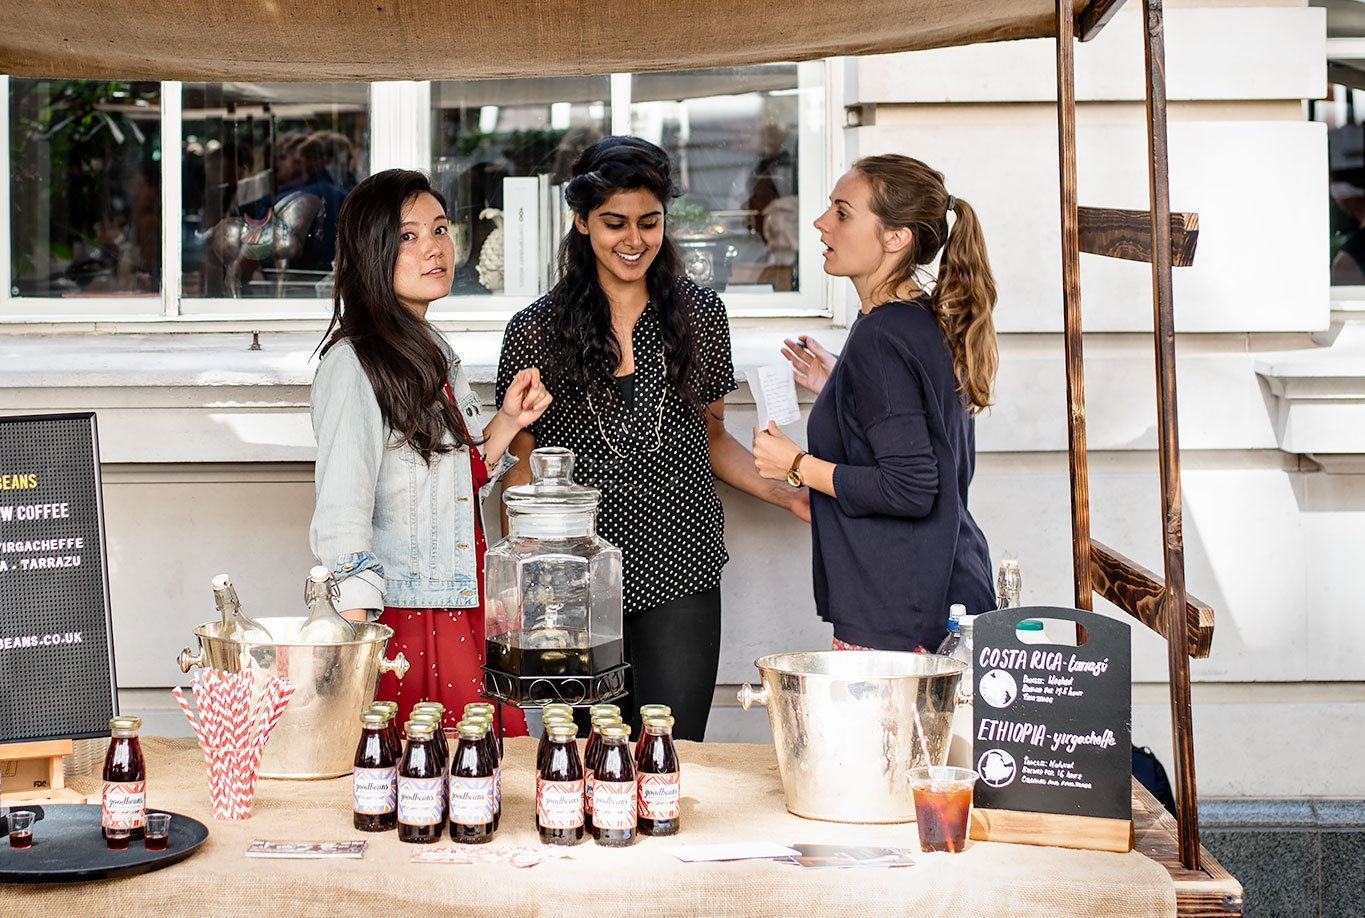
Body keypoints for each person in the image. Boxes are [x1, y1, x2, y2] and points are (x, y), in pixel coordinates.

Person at [497, 136, 808, 740]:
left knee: (673, 750)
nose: (634, 240)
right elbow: (521, 466)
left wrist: (789, 493)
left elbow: (711, 436)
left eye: (649, 222)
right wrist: (524, 583)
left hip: (680, 560)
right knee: (583, 758)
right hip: (574, 579)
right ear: (582, 221)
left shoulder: (700, 314)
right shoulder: (535, 328)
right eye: (614, 223)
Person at [309, 169, 551, 731]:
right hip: (405, 618)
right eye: (408, 236)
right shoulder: (353, 364)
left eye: (440, 229)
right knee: (418, 764)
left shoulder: (432, 350)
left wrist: (508, 420)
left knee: (476, 766)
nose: (434, 248)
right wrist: (358, 651)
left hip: (462, 602)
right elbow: (342, 518)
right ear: (372, 252)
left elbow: (454, 483)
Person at [751, 154, 997, 653]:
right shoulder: (917, 316)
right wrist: (840, 387)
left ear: (895, 237)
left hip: (904, 617)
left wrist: (795, 465)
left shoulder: (881, 337)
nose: (821, 223)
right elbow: (920, 426)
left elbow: (910, 488)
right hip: (936, 592)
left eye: (842, 213)